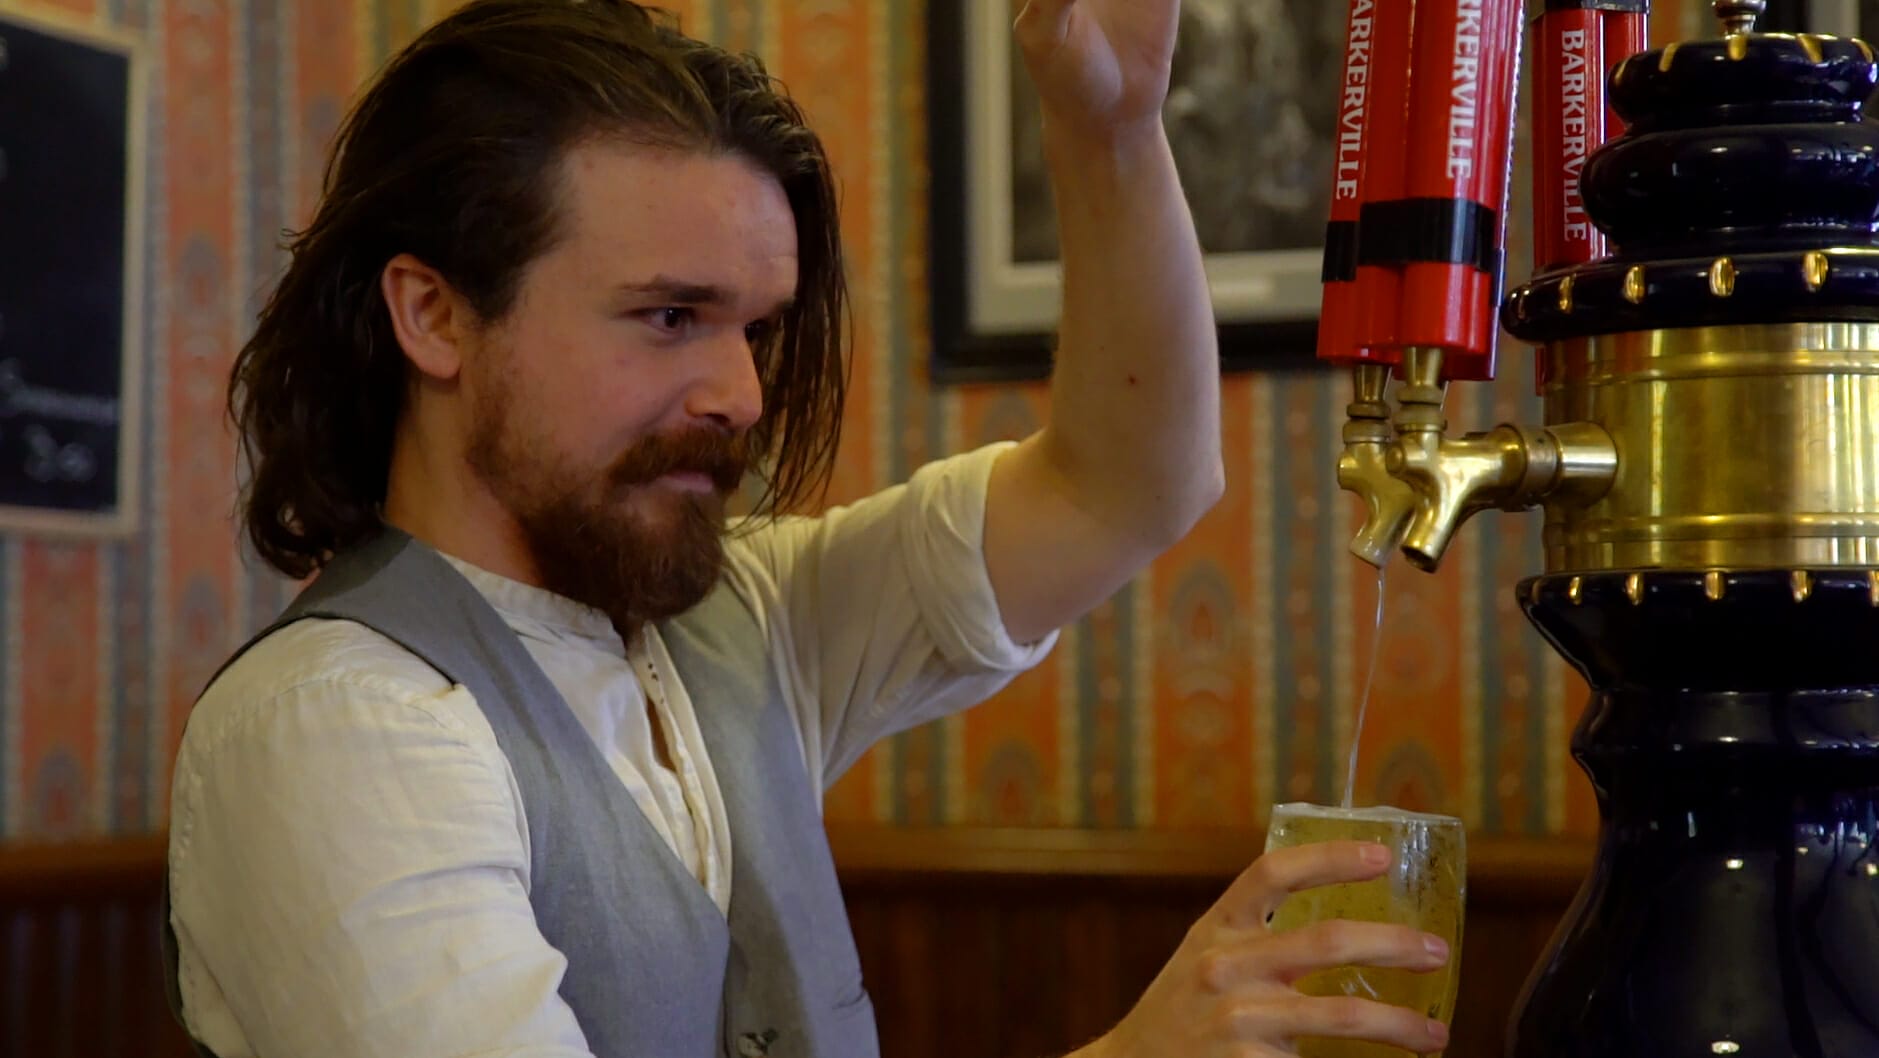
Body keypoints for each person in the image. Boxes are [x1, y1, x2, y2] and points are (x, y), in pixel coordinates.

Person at [162, 1, 1454, 1056]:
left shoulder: (741, 619)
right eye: (670, 316)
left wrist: (1107, 127)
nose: (741, 393)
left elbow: (1129, 486)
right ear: (433, 316)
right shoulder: (338, 725)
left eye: (756, 327)